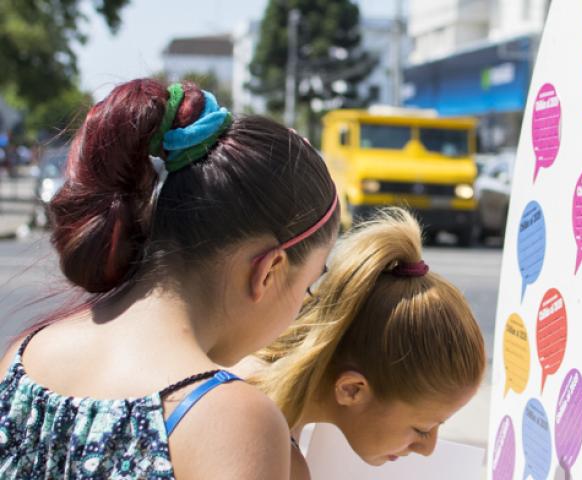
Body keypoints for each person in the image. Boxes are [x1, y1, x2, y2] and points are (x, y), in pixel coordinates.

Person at [0, 79, 339, 479]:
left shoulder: (26, 356)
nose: (301, 309)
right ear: (269, 271)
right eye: (309, 286)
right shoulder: (229, 418)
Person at [245, 208, 486, 480]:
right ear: (350, 390)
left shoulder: (254, 392)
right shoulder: (267, 455)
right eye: (421, 429)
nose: (427, 449)